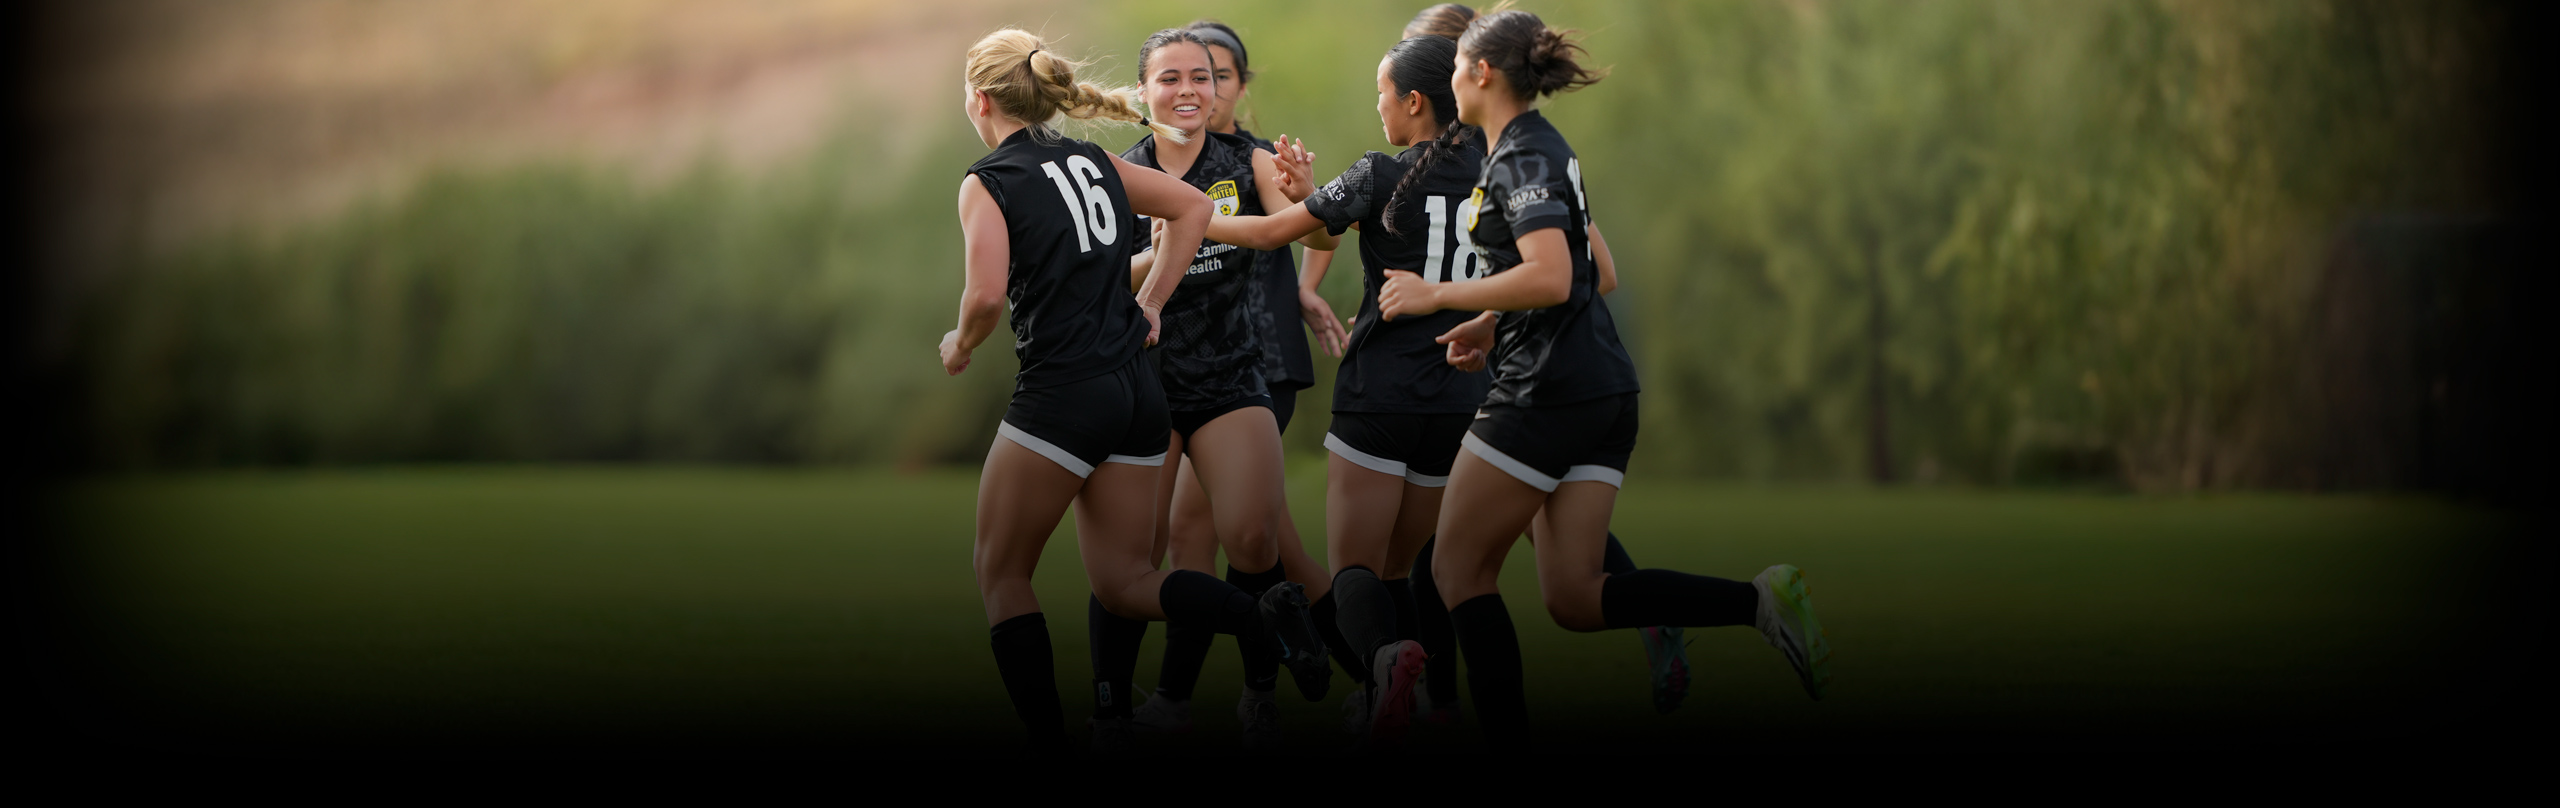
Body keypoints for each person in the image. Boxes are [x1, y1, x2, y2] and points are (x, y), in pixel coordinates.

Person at [1376, 7, 1832, 744]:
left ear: (1482, 73)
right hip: (1600, 390)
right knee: (1576, 597)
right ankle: (1758, 601)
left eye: (1457, 65)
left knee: (1455, 573)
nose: (1450, 77)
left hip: (1543, 393)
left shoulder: (1520, 154)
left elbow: (1554, 277)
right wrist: (1491, 323)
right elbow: (1586, 273)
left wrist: (1439, 294)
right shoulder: (1535, 146)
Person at [940, 28, 1303, 753]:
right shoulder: (1095, 159)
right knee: (1126, 582)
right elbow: (1195, 211)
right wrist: (1152, 304)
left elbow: (983, 297)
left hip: (1062, 395)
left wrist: (962, 342)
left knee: (1003, 572)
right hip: (1140, 396)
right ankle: (1259, 615)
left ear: (980, 99)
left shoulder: (989, 178)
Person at [1106, 27, 1334, 750]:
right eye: (1169, 78)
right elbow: (1108, 279)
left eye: (1200, 78)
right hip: (1146, 385)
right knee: (1134, 561)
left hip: (1235, 376)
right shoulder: (1119, 171)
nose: (1186, 91)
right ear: (1142, 91)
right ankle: (1113, 706)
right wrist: (1177, 236)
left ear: (1221, 89)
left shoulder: (1249, 160)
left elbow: (1314, 236)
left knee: (1252, 537)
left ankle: (1259, 692)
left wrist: (1306, 199)